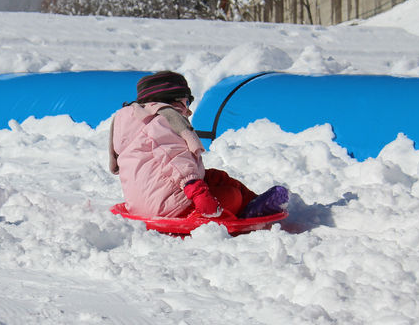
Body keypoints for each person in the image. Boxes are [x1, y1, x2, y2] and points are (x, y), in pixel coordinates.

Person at [109, 70, 288, 219]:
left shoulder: (134, 122)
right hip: (172, 208)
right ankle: (242, 209)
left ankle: (254, 202)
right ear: (172, 99)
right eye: (186, 102)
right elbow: (174, 158)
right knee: (231, 197)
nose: (189, 110)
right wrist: (198, 193)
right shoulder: (163, 120)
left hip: (143, 204)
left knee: (217, 177)